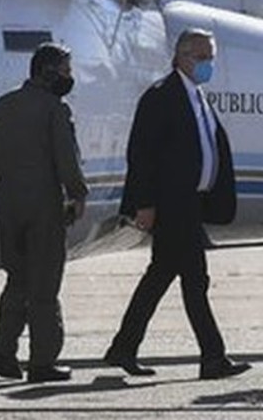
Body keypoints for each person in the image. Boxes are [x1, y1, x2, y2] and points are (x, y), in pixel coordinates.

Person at [103, 28, 251, 381]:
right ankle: (213, 357)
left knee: (160, 276)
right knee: (195, 280)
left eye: (210, 57)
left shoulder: (198, 97)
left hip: (191, 204)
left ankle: (123, 347)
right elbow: (142, 155)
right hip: (171, 205)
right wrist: (144, 203)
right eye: (201, 57)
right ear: (181, 57)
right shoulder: (161, 97)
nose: (207, 64)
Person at [0, 43, 88, 383]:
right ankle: (42, 362)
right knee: (44, 286)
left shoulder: (2, 106)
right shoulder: (54, 110)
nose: (69, 78)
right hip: (44, 209)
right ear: (47, 72)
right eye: (65, 71)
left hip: (8, 207)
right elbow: (66, 159)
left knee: (16, 280)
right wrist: (78, 194)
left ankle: (4, 355)